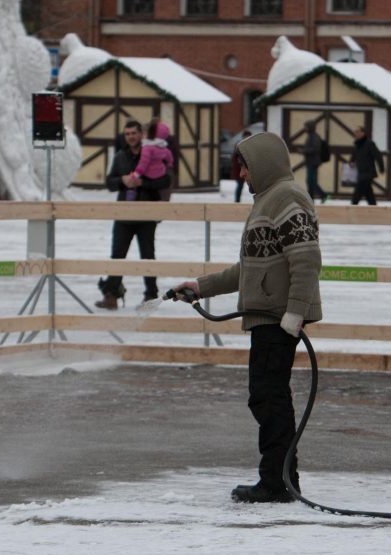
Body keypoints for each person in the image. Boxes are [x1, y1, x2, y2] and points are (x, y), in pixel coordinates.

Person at [172, 132, 322, 504]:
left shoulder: (286, 197)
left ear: (263, 163)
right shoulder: (267, 201)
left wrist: (296, 312)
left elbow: (306, 259)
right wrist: (200, 286)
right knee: (267, 397)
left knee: (269, 398)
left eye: (245, 166)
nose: (241, 175)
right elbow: (249, 268)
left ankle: (278, 481)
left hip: (278, 318)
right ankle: (281, 478)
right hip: (267, 315)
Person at [98, 120, 166, 309]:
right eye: (127, 134)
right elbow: (109, 183)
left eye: (133, 133)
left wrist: (142, 183)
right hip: (124, 214)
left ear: (141, 134)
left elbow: (165, 180)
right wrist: (122, 181)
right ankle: (111, 294)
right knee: (117, 255)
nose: (130, 137)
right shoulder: (120, 156)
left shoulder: (152, 154)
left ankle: (151, 296)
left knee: (147, 256)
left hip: (146, 213)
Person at [130, 117, 173, 198]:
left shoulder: (147, 148)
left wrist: (137, 176)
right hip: (138, 196)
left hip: (152, 194)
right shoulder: (162, 147)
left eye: (144, 133)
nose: (142, 136)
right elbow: (169, 157)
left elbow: (143, 164)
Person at [348, 125, 384, 205]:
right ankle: (373, 207)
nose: (356, 134)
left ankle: (352, 207)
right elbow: (354, 155)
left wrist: (381, 168)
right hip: (361, 172)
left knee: (358, 192)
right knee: (368, 193)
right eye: (355, 132)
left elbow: (378, 156)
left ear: (363, 133)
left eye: (358, 132)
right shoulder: (357, 144)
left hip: (368, 172)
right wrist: (351, 161)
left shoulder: (369, 143)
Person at [301, 120, 329, 203]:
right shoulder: (311, 136)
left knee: (311, 181)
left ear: (310, 127)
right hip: (311, 162)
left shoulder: (314, 137)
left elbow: (315, 149)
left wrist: (304, 151)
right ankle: (312, 198)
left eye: (306, 127)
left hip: (313, 162)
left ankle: (322, 195)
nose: (304, 128)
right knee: (311, 181)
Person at [231, 130, 252, 202]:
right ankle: (237, 200)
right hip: (240, 169)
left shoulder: (250, 145)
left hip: (248, 169)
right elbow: (234, 158)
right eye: (246, 136)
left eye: (249, 136)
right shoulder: (239, 145)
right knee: (240, 185)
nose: (247, 138)